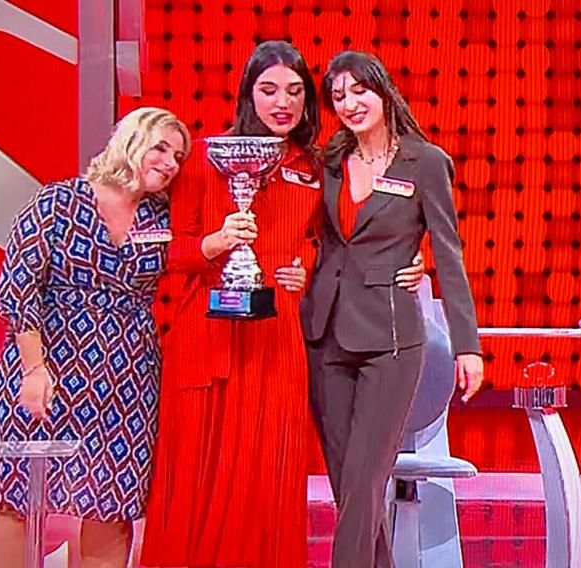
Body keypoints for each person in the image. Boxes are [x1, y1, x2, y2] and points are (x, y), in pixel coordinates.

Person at [140, 41, 423, 568]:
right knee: (197, 478)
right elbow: (170, 253)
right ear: (248, 94)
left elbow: (345, 240)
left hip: (276, 340)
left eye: (294, 92)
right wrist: (216, 243)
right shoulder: (204, 157)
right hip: (207, 336)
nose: (282, 103)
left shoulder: (316, 166)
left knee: (266, 471)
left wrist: (400, 259)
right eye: (269, 90)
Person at [0, 107, 190, 568]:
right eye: (160, 148)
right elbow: (18, 287)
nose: (170, 163)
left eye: (178, 156)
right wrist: (34, 369)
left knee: (111, 502)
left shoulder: (163, 216)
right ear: (129, 142)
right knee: (15, 493)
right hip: (49, 364)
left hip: (126, 378)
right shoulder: (58, 201)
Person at [301, 50, 485, 568]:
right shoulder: (328, 162)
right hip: (325, 335)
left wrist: (467, 345)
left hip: (391, 341)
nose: (350, 104)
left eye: (359, 90)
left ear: (383, 91)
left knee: (364, 481)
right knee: (350, 487)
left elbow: (448, 253)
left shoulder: (424, 162)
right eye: (338, 96)